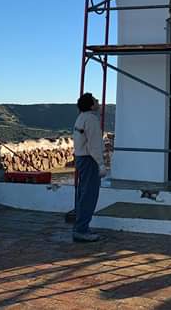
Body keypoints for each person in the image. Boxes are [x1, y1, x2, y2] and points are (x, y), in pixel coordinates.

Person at [72, 92, 107, 242]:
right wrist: (100, 163)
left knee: (83, 192)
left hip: (81, 158)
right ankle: (81, 230)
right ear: (91, 105)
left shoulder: (81, 117)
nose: (98, 101)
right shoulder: (91, 119)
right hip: (89, 160)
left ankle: (81, 226)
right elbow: (94, 144)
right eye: (95, 100)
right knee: (89, 195)